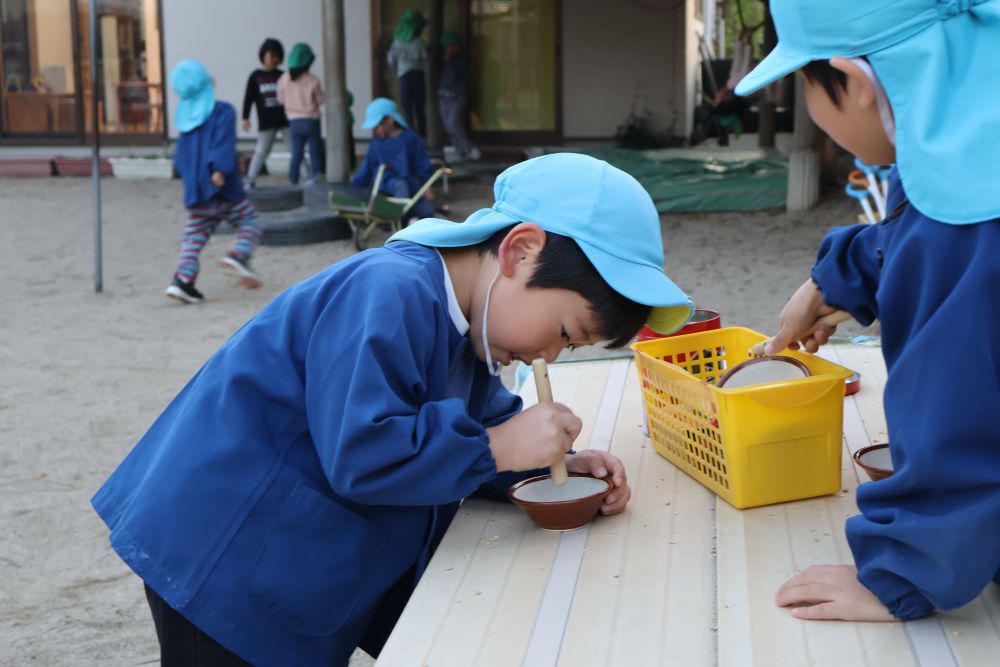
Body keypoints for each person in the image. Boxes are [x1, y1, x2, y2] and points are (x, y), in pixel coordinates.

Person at [91, 152, 694, 666]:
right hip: (221, 559)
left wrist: (547, 464)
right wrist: (502, 447)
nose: (552, 356)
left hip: (288, 555)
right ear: (521, 251)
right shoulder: (388, 290)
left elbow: (480, 430)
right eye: (565, 331)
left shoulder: (473, 329)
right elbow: (365, 450)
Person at [734, 0, 1000, 622]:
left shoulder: (960, 226)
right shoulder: (962, 143)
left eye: (804, 86)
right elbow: (909, 240)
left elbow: (954, 415)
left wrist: (903, 572)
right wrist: (835, 281)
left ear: (851, 82)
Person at [166, 60, 262, 305]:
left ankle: (183, 282)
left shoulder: (185, 122)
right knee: (249, 221)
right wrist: (220, 170)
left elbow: (180, 160)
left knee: (194, 238)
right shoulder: (223, 111)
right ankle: (239, 256)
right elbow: (222, 144)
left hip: (198, 194)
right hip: (224, 189)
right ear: (207, 84)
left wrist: (193, 182)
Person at [351, 97, 436, 221]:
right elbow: (367, 167)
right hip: (385, 186)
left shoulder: (410, 139)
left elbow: (422, 164)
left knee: (427, 211)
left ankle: (413, 218)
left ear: (390, 120)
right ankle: (408, 218)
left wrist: (427, 184)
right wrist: (356, 182)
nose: (375, 131)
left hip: (410, 185)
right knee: (400, 187)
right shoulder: (376, 144)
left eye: (377, 126)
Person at [240, 38, 306, 190]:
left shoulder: (284, 75)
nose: (274, 59)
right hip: (266, 121)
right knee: (261, 151)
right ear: (263, 55)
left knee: (296, 149)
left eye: (277, 56)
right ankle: (250, 179)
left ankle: (307, 177)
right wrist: (245, 118)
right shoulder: (255, 76)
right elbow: (248, 98)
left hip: (286, 119)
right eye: (271, 55)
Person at [277, 42, 324, 186]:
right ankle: (317, 178)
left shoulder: (283, 79)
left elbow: (280, 100)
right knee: (315, 151)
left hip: (294, 121)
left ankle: (293, 180)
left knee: (296, 153)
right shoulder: (313, 80)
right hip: (311, 120)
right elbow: (320, 100)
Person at [437, 30, 480, 161]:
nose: (449, 48)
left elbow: (459, 75)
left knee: (454, 122)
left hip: (457, 97)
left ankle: (470, 148)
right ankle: (459, 151)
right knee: (448, 126)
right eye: (447, 46)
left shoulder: (461, 60)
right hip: (444, 96)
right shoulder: (443, 60)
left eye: (451, 45)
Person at [387, 9, 428, 137]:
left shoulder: (397, 42)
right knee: (420, 108)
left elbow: (391, 61)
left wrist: (396, 70)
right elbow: (426, 60)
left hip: (404, 77)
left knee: (407, 109)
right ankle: (422, 136)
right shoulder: (419, 42)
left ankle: (410, 136)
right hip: (418, 76)